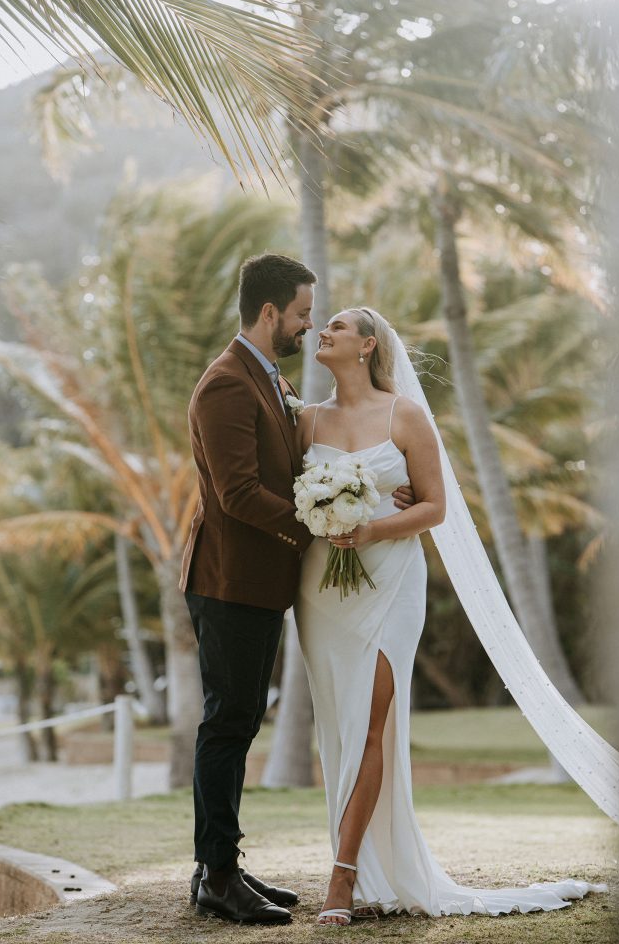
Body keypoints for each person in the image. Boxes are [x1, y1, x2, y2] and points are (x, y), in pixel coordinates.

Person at [294, 306, 608, 925]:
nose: (321, 331)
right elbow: (285, 498)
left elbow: (435, 507)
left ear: (366, 346)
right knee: (338, 724)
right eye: (319, 324)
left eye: (336, 325)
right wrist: (323, 517)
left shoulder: (404, 415)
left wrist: (375, 523)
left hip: (391, 582)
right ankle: (356, 861)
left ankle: (343, 874)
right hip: (322, 592)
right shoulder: (305, 421)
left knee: (372, 723)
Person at [179, 256, 416, 925]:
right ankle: (217, 876)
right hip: (229, 580)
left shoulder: (269, 378)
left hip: (260, 583)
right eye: (304, 314)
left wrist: (374, 491)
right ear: (270, 312)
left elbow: (308, 461)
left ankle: (217, 865)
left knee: (238, 718)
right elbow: (239, 495)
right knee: (228, 723)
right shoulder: (227, 383)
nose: (307, 326)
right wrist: (325, 523)